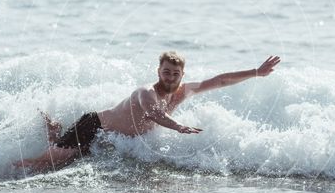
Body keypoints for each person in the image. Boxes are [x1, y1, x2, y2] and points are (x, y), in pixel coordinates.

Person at [15, 51, 281, 172]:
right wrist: (178, 127)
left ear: (182, 75)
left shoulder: (183, 90)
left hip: (106, 138)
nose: (170, 77)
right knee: (44, 164)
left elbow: (219, 81)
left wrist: (256, 72)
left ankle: (55, 131)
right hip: (93, 126)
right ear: (158, 72)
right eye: (166, 72)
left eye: (175, 73)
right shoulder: (146, 92)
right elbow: (153, 113)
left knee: (66, 158)